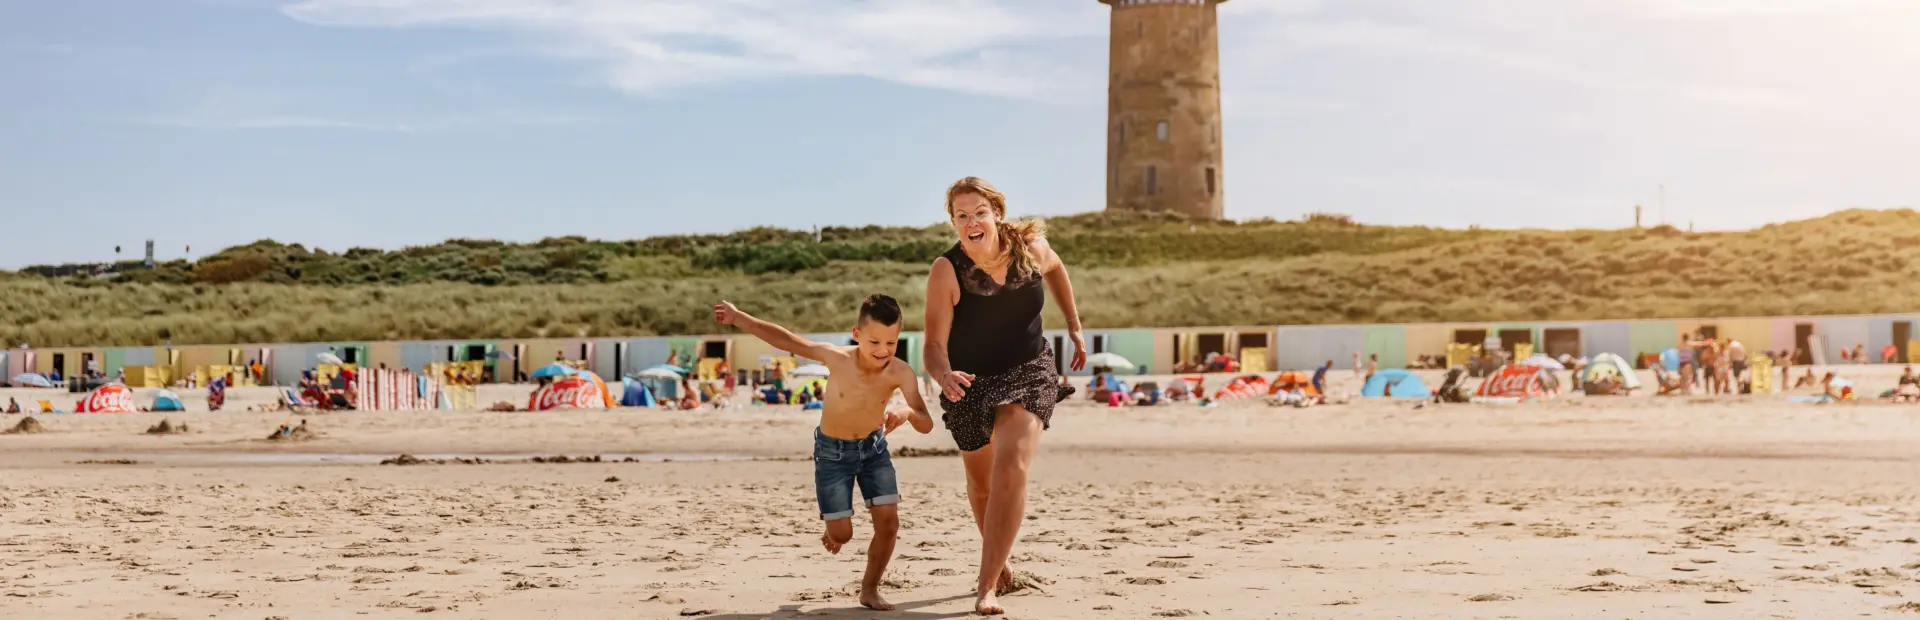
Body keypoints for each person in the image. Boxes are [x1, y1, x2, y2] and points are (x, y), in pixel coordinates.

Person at [922, 176, 1086, 615]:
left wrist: (1073, 322)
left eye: (979, 212)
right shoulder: (947, 270)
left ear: (996, 211)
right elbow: (933, 345)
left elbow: (1056, 269)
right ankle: (1001, 563)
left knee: (1011, 464)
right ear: (953, 222)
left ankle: (986, 585)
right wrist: (943, 375)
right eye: (961, 216)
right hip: (970, 381)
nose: (972, 222)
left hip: (1029, 370)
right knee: (981, 485)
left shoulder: (1030, 248)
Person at [714, 295, 934, 612]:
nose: (883, 350)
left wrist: (906, 412)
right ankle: (834, 528)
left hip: (874, 450)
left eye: (891, 342)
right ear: (856, 335)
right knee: (842, 534)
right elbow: (788, 340)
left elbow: (925, 422)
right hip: (832, 453)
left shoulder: (900, 372)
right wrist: (739, 319)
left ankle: (869, 589)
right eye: (874, 341)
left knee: (888, 525)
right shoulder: (837, 357)